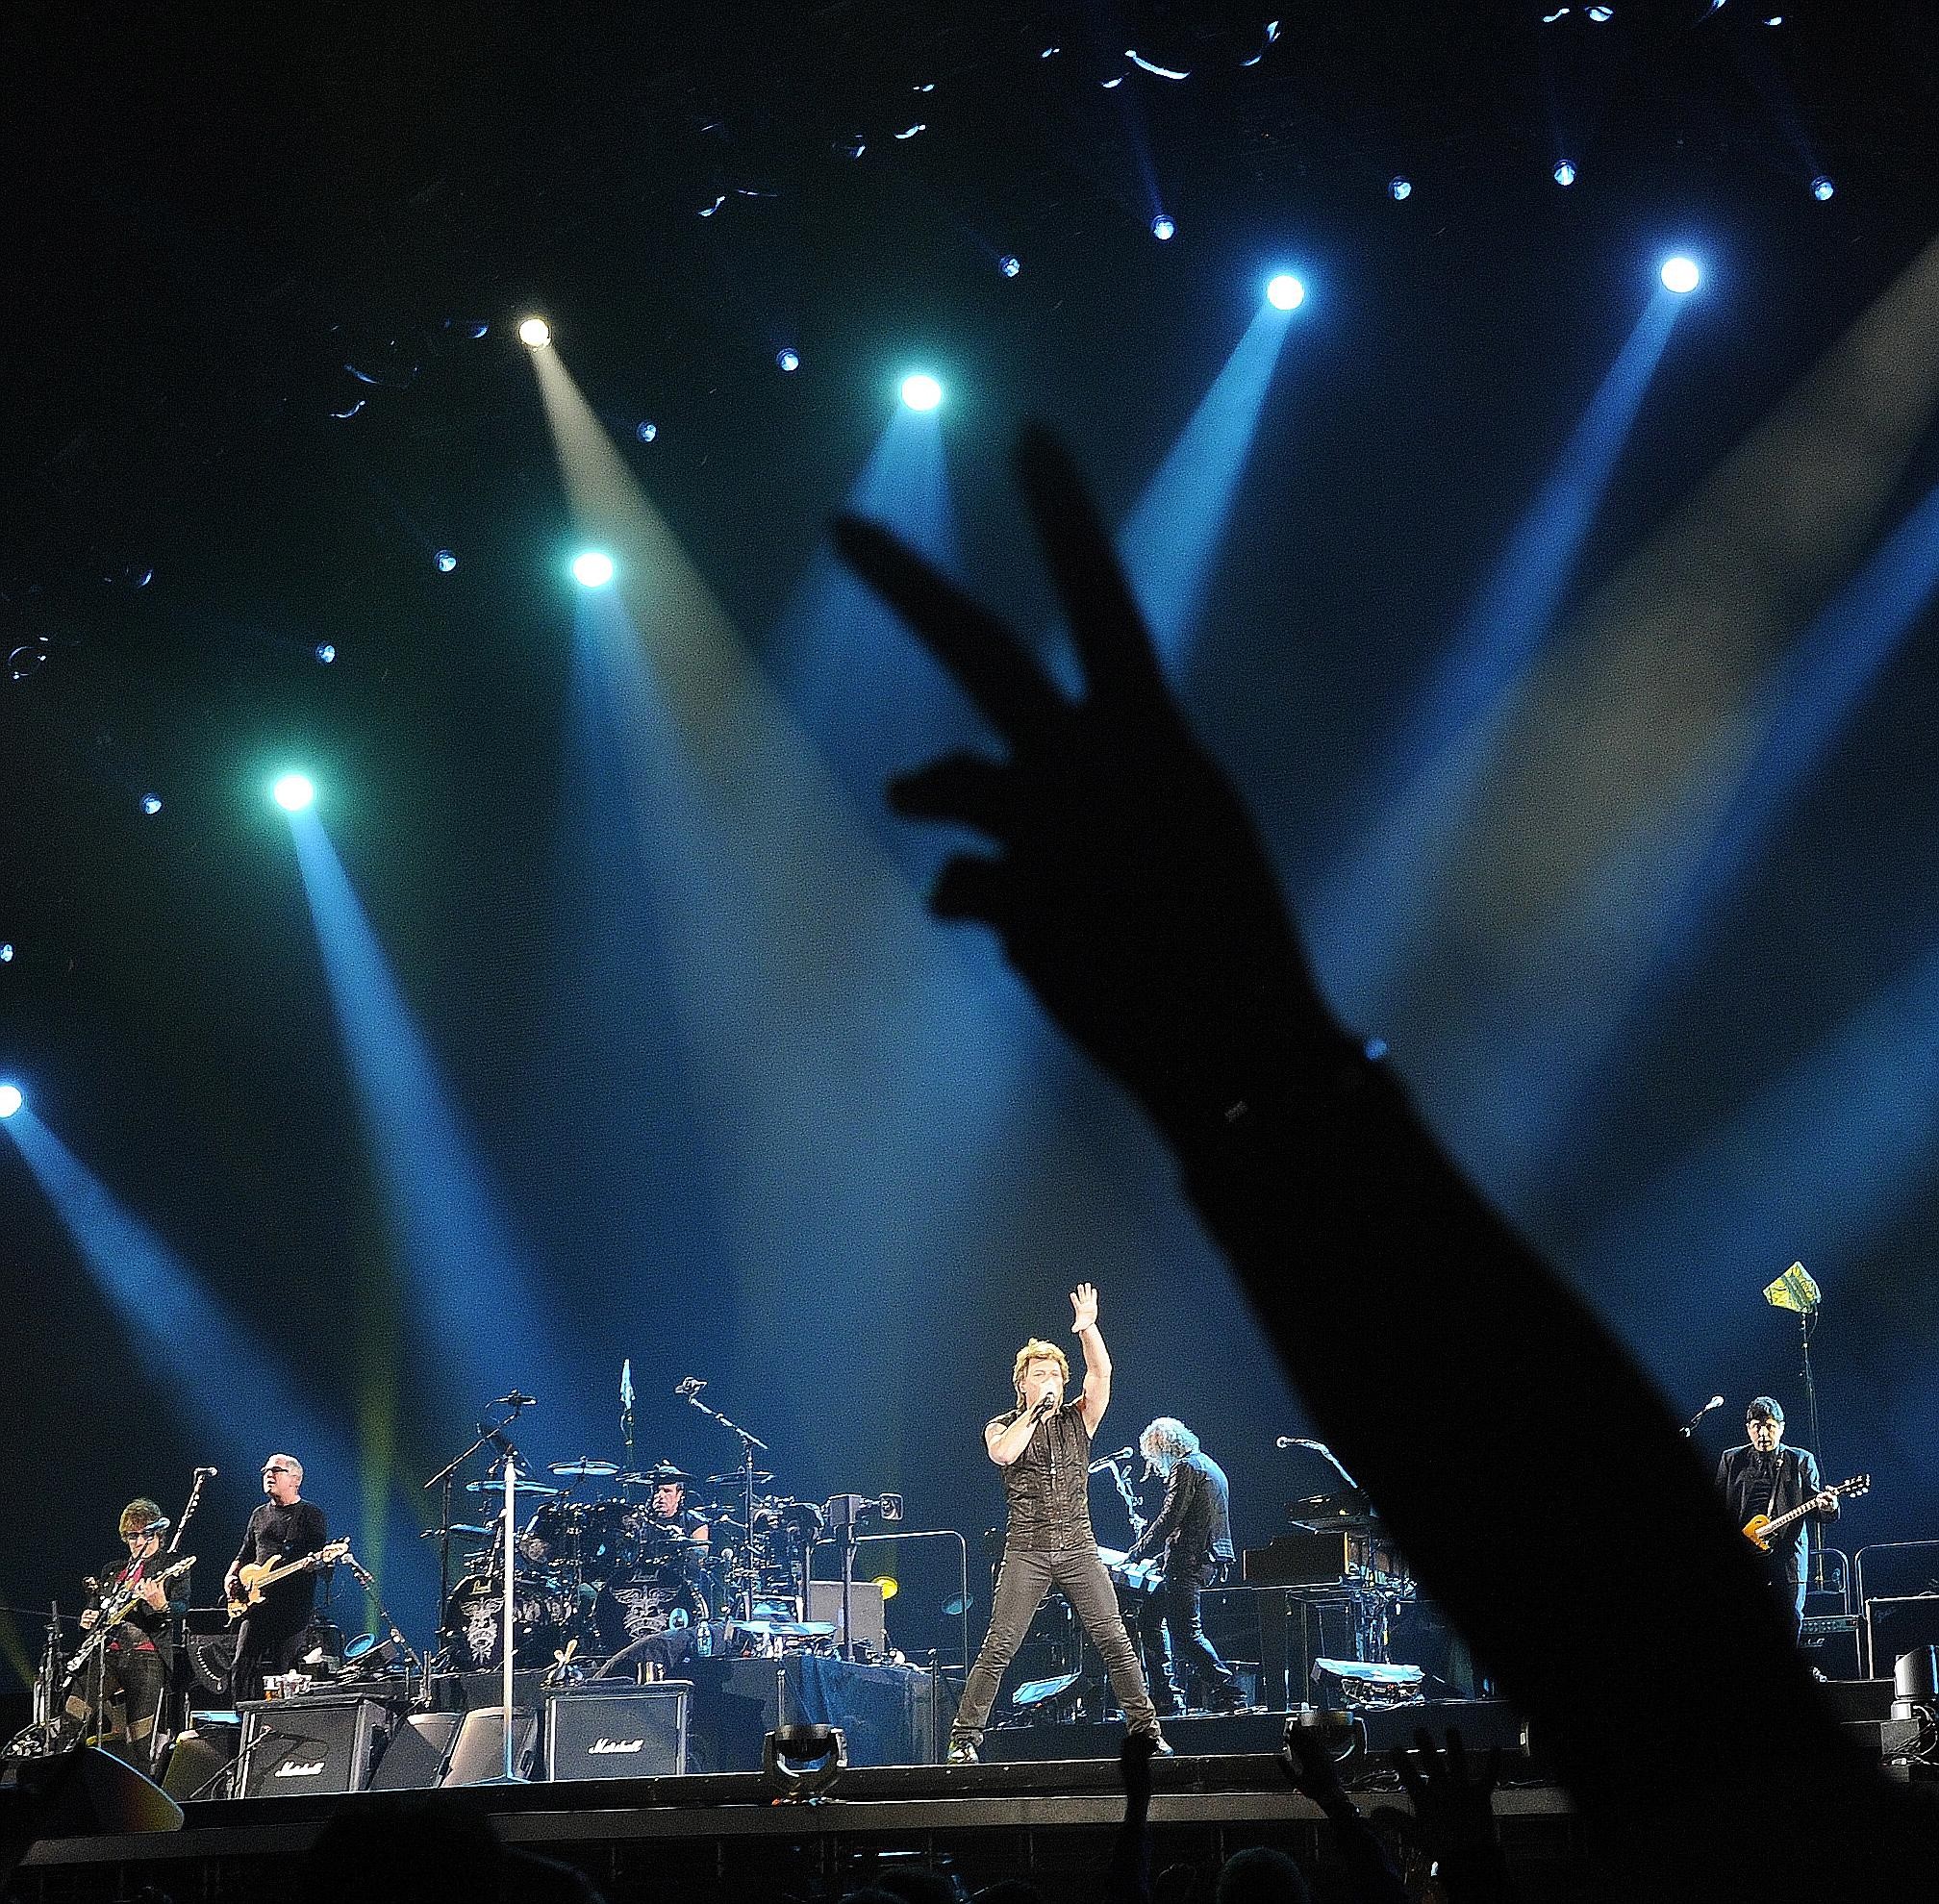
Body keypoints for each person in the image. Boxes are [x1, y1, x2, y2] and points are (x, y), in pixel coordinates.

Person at [833, 427, 1938, 1896]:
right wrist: (1260, 1067)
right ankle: (979, 1743)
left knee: (1113, 1636)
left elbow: (1102, 1404)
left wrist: (1215, 1138)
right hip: (1038, 1519)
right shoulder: (1012, 1423)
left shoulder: (1107, 1424)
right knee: (1002, 1637)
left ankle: (1148, 1745)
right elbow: (1719, 1748)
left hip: (1093, 1535)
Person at [948, 1282, 1165, 1764]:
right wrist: (1032, 1414)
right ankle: (965, 1739)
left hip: (1078, 1548)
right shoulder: (1002, 1426)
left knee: (1113, 1638)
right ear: (1022, 1383)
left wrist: (1088, 1329)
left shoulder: (1080, 1419)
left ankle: (1146, 1730)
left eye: (1055, 1375)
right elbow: (1003, 1454)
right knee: (1000, 1644)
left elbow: (1102, 1371)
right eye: (1039, 1374)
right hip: (1026, 1549)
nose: (1049, 1381)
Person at [1124, 1418, 1243, 1714]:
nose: (1154, 1467)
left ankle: (1228, 1691)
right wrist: (1159, 1559)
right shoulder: (1210, 1466)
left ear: (1161, 1448)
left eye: (1152, 1458)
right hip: (1204, 1557)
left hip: (1188, 1561)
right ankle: (1164, 1694)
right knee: (1149, 1619)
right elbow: (1199, 1520)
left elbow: (1171, 1517)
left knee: (1185, 1631)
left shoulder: (1185, 1467)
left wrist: (1137, 1553)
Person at [63, 1498, 183, 1774]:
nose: (139, 1541)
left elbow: (181, 1608)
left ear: (159, 1536)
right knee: (71, 1717)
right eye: (132, 1536)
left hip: (146, 1657)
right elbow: (96, 1611)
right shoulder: (113, 1571)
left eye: (145, 1534)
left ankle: (143, 1794)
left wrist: (161, 1604)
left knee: (139, 1739)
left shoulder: (170, 1565)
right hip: (106, 1655)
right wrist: (87, 1619)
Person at [1714, 1397, 1840, 1643]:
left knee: (1790, 1616)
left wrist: (1829, 1505)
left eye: (1770, 1426)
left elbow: (1816, 1507)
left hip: (1787, 1554)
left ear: (1781, 1427)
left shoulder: (1801, 1460)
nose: (1763, 1433)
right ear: (1747, 1428)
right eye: (1756, 1426)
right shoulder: (1731, 1460)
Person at [225, 1453, 329, 1704]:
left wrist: (313, 1563)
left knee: (285, 1673)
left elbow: (317, 1559)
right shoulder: (259, 1514)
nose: (268, 1475)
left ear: (295, 1479)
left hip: (292, 1609)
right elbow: (245, 1551)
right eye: (266, 1471)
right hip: (256, 1604)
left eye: (275, 1470)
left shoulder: (311, 1515)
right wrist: (231, 1575)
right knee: (241, 1667)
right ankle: (241, 1723)